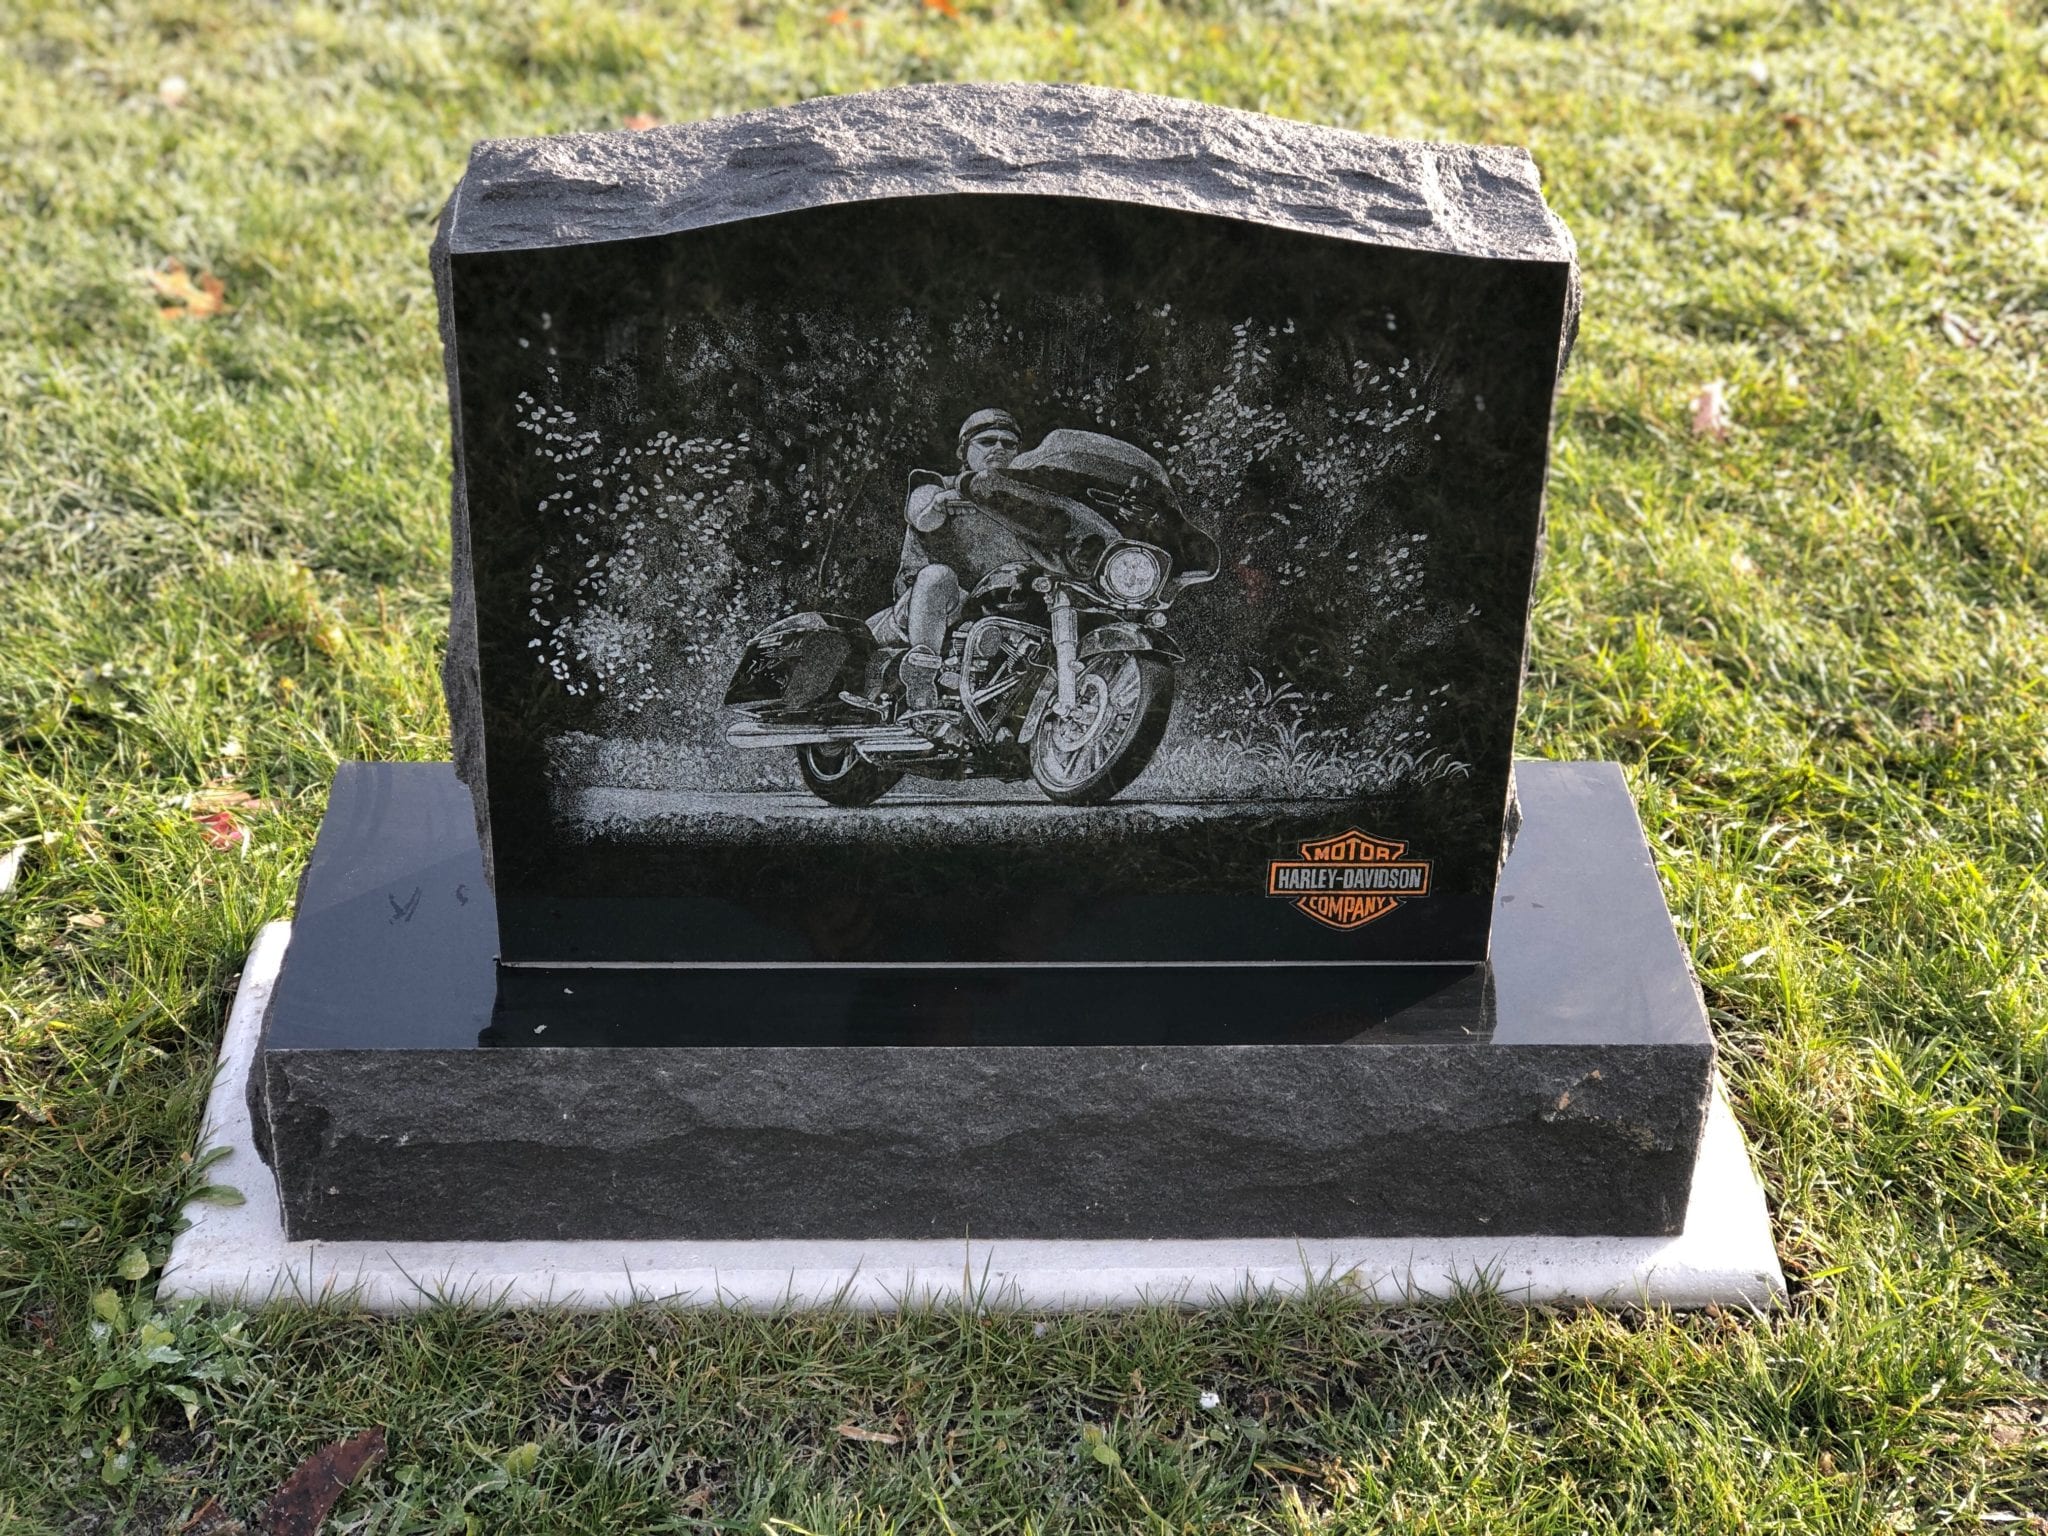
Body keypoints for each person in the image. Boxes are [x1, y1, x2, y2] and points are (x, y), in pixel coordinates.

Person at [867, 407, 1063, 715]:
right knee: (939, 575)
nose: (1000, 448)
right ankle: (922, 676)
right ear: (964, 450)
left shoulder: (1029, 506)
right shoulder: (940, 485)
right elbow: (921, 514)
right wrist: (940, 503)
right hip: (937, 605)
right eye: (987, 441)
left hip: (1004, 608)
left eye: (1009, 444)